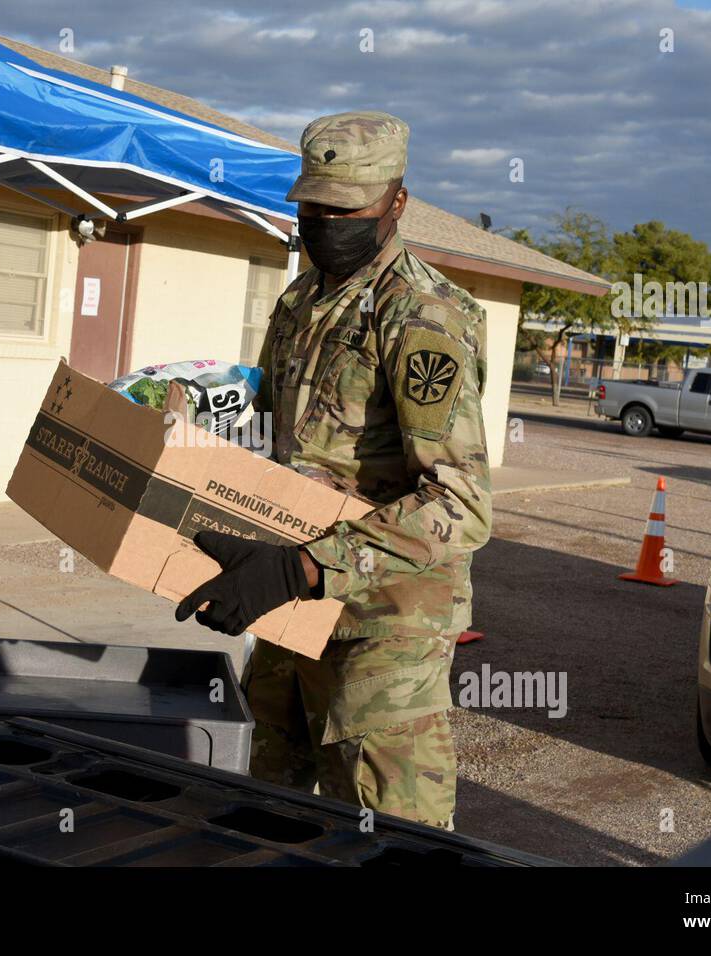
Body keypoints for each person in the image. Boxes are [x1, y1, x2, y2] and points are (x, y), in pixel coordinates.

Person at [175, 111, 492, 829]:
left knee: (387, 833)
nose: (323, 223)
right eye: (311, 206)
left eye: (345, 210)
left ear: (397, 203)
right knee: (268, 806)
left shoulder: (421, 316)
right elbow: (279, 430)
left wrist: (302, 568)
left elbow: (462, 505)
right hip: (294, 603)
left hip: (386, 626)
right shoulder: (300, 300)